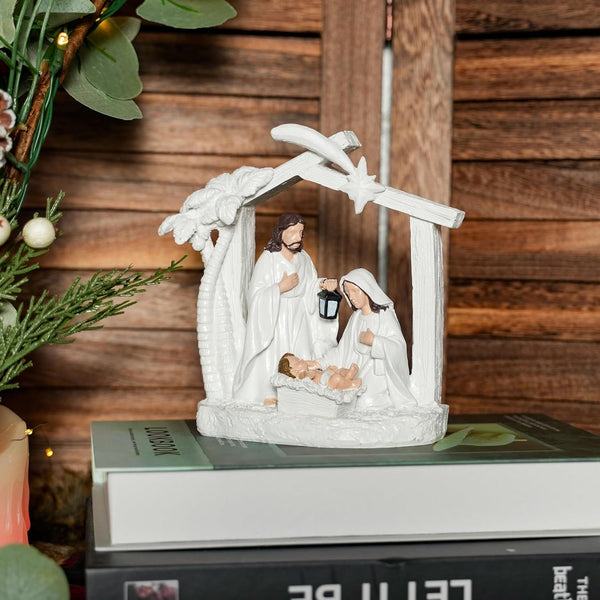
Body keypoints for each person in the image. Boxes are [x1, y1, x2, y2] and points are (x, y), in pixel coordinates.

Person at [233, 213, 338, 405]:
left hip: (299, 315)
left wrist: (322, 284)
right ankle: (269, 393)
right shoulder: (269, 259)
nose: (298, 237)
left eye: (300, 232)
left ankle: (302, 394)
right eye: (292, 232)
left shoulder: (304, 258)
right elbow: (255, 295)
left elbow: (310, 286)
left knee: (301, 354)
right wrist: (279, 288)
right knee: (274, 354)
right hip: (276, 315)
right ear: (280, 233)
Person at [320, 268, 417, 410]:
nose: (351, 297)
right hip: (356, 368)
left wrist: (375, 341)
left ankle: (385, 401)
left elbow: (398, 346)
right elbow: (342, 350)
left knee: (363, 402)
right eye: (348, 293)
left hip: (376, 370)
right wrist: (320, 362)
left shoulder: (384, 316)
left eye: (355, 291)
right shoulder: (356, 317)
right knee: (339, 394)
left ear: (367, 289)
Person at [278, 353, 362, 390]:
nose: (302, 359)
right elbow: (306, 376)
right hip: (326, 382)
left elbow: (320, 373)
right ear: (295, 371)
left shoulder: (309, 369)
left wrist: (327, 370)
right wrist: (307, 374)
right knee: (336, 378)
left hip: (326, 376)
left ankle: (348, 375)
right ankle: (351, 384)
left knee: (340, 370)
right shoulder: (301, 375)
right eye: (298, 361)